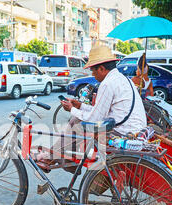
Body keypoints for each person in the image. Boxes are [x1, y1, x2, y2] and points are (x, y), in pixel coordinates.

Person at [35, 43, 147, 172]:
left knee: (76, 123)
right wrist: (80, 106)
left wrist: (72, 109)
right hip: (133, 127)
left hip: (125, 132)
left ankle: (55, 158)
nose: (93, 75)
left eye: (93, 71)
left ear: (101, 69)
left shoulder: (108, 84)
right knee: (76, 120)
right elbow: (101, 112)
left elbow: (95, 118)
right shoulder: (122, 78)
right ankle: (62, 158)